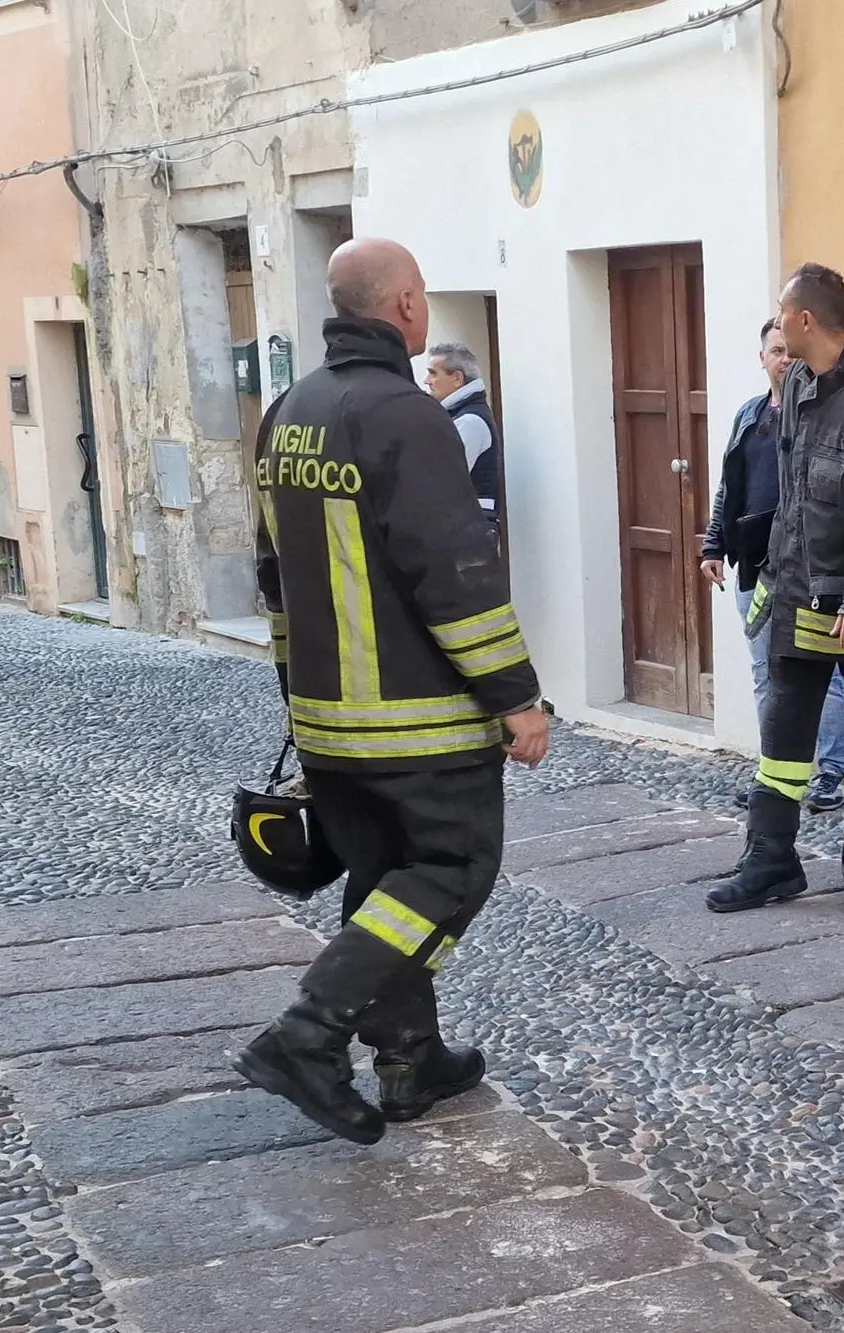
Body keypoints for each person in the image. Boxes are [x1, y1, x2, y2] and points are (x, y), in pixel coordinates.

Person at [237, 237, 550, 1146]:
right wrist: (516, 696)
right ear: (407, 304)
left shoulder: (289, 412)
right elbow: (454, 570)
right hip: (420, 722)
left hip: (327, 718)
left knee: (383, 881)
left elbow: (272, 571)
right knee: (451, 869)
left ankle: (411, 1057)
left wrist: (297, 692)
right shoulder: (408, 416)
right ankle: (307, 1033)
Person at [705, 264, 844, 918]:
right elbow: (793, 501)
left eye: (783, 313)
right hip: (797, 604)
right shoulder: (798, 384)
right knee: (783, 740)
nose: (777, 323)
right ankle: (772, 860)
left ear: (805, 320)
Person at [700, 318, 844, 813]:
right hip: (755, 569)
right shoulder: (749, 415)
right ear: (762, 358)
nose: (785, 359)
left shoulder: (821, 415)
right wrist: (713, 544)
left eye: (791, 350)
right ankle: (777, 775)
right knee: (767, 672)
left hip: (808, 569)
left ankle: (832, 772)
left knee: (823, 672)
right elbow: (730, 485)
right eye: (776, 351)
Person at [423, 343, 501, 520]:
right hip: (468, 522)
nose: (427, 380)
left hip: (468, 523)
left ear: (457, 378)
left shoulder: (469, 422)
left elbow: (443, 481)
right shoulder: (462, 416)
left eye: (433, 373)